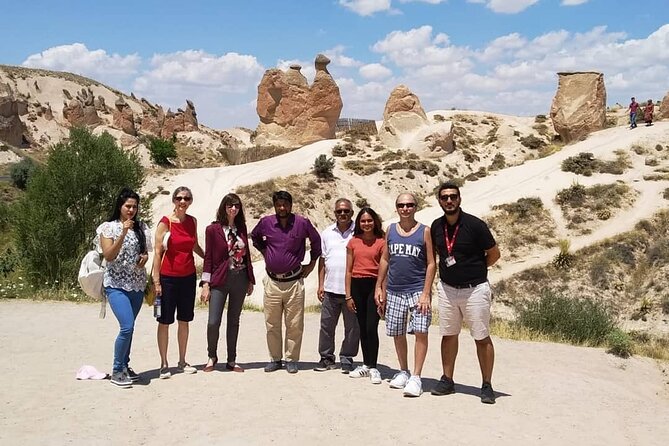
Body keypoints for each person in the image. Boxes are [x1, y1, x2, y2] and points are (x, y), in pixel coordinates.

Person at [430, 183, 501, 404]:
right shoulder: (436, 226)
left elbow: (494, 254)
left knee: (481, 336)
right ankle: (447, 379)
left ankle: (487, 384)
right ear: (439, 201)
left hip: (475, 290)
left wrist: (477, 270)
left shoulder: (475, 225)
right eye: (444, 197)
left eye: (453, 197)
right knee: (448, 335)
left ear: (459, 199)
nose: (449, 201)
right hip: (448, 289)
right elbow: (435, 255)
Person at [250, 191, 322, 374]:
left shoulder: (301, 223)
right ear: (274, 205)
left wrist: (312, 264)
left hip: (294, 282)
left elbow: (316, 241)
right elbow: (255, 237)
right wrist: (266, 253)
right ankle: (275, 359)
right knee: (272, 323)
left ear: (291, 205)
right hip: (272, 282)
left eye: (285, 204)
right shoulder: (266, 222)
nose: (282, 208)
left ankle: (291, 359)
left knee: (295, 323)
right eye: (279, 204)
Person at [376, 193, 436, 397]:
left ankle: (417, 377)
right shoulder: (391, 230)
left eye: (410, 205)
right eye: (401, 205)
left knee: (421, 331)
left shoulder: (424, 231)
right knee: (397, 331)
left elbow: (431, 263)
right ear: (396, 207)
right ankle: (403, 370)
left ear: (416, 207)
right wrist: (379, 286)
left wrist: (426, 293)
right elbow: (385, 259)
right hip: (394, 289)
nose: (405, 208)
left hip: (418, 289)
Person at [97, 188, 151, 388]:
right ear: (120, 206)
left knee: (131, 328)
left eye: (135, 207)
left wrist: (144, 258)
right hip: (116, 284)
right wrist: (123, 232)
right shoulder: (108, 228)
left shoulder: (141, 227)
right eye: (128, 206)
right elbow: (109, 255)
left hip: (136, 284)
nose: (131, 210)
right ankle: (117, 369)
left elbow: (144, 251)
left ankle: (126, 366)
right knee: (126, 326)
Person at [152, 186, 204, 379]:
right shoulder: (166, 223)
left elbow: (195, 245)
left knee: (184, 320)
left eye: (187, 198)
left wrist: (209, 259)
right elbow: (158, 253)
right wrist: (156, 282)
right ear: (174, 200)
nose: (183, 202)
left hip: (188, 277)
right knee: (164, 320)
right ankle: (164, 363)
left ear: (190, 201)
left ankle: (182, 361)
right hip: (167, 278)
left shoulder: (192, 221)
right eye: (180, 198)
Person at [200, 193, 255, 373]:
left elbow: (247, 256)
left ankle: (232, 359)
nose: (233, 209)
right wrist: (206, 284)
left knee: (234, 321)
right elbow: (208, 258)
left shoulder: (241, 228)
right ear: (224, 207)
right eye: (230, 205)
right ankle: (211, 356)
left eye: (237, 206)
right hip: (220, 278)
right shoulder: (212, 229)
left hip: (240, 278)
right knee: (213, 321)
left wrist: (250, 279)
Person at [314, 198, 360, 374]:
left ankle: (347, 358)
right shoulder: (326, 233)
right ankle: (326, 358)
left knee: (352, 328)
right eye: (339, 211)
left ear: (352, 213)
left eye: (346, 211)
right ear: (334, 213)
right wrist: (320, 284)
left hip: (351, 291)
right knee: (326, 326)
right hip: (331, 289)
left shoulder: (359, 232)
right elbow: (323, 260)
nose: (343, 214)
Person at [345, 207, 385, 385]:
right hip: (357, 284)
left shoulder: (382, 241)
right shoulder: (353, 242)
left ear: (375, 221)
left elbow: (385, 269)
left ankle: (373, 366)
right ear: (359, 223)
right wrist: (348, 296)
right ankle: (366, 365)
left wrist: (382, 290)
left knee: (371, 326)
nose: (366, 224)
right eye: (363, 221)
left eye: (369, 220)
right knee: (361, 327)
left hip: (374, 285)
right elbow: (348, 270)